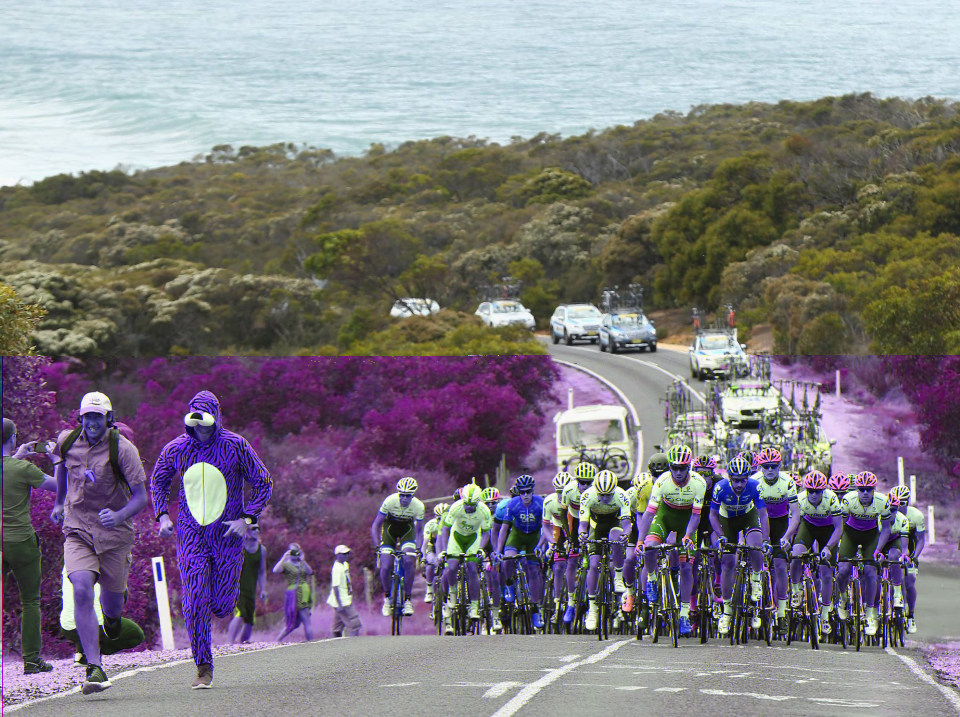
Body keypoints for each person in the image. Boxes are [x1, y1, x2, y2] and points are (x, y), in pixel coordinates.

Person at [151, 390, 273, 689]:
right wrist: (163, 516)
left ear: (216, 419)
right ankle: (203, 666)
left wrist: (247, 519)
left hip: (227, 536)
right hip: (191, 537)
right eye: (196, 422)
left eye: (206, 422)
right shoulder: (176, 449)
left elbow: (263, 482)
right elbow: (158, 479)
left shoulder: (235, 446)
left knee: (221, 606)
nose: (201, 429)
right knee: (194, 602)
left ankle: (221, 606)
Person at [50, 392, 149, 695]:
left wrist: (118, 515)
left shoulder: (123, 448)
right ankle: (95, 667)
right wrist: (58, 502)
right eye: (87, 416)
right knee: (80, 587)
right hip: (78, 529)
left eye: (97, 416)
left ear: (108, 417)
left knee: (112, 608)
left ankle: (114, 616)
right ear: (79, 418)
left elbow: (141, 498)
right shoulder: (67, 441)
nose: (92, 422)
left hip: (114, 537)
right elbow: (61, 467)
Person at [2, 418, 58, 674]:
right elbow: (58, 487)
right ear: (13, 438)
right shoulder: (23, 468)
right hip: (22, 542)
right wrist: (57, 459)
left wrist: (14, 455)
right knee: (30, 601)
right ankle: (32, 660)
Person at [637, 445, 708, 637]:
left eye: (682, 468)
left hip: (687, 522)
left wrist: (687, 536)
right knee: (650, 547)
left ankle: (684, 615)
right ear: (670, 467)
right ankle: (651, 579)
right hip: (665, 517)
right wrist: (640, 540)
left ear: (689, 467)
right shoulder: (662, 481)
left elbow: (695, 516)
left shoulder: (698, 483)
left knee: (686, 567)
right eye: (674, 468)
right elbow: (650, 513)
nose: (677, 472)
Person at [710, 454, 771, 634]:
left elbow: (762, 515)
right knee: (728, 563)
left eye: (742, 480)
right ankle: (727, 612)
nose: (738, 485)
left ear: (747, 478)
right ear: (729, 478)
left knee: (755, 547)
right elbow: (712, 516)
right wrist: (721, 535)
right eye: (735, 480)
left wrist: (766, 540)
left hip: (747, 517)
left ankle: (755, 578)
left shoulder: (754, 486)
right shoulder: (720, 488)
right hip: (727, 520)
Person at [780, 471, 843, 633]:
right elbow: (793, 523)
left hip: (828, 531)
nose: (814, 494)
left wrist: (828, 547)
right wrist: (787, 538)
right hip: (808, 528)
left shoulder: (832, 498)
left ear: (823, 491)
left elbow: (839, 528)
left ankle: (824, 616)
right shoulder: (800, 498)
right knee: (796, 555)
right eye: (810, 491)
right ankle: (796, 592)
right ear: (806, 490)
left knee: (826, 573)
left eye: (817, 491)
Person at [835, 471, 892, 637]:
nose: (865, 493)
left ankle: (870, 615)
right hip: (850, 535)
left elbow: (886, 528)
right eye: (862, 489)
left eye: (869, 489)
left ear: (874, 489)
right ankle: (844, 599)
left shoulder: (882, 501)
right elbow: (841, 525)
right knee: (843, 570)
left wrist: (877, 550)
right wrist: (839, 545)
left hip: (871, 537)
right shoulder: (848, 500)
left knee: (870, 572)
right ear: (857, 489)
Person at [578, 470, 632, 631]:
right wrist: (582, 535)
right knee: (593, 564)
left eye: (609, 495)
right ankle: (592, 608)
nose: (605, 498)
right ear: (596, 490)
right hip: (596, 525)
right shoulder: (587, 496)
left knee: (616, 537)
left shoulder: (622, 496)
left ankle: (618, 577)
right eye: (601, 495)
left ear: (614, 490)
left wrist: (626, 534)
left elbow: (627, 524)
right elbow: (583, 525)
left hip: (614, 522)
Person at [59, 566, 144, 664]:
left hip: (67, 627)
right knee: (135, 634)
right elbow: (120, 595)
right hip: (97, 626)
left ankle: (82, 653)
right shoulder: (106, 560)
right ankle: (91, 653)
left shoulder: (70, 560)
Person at [438, 484, 493, 634]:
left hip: (473, 539)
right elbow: (445, 528)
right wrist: (444, 550)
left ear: (478, 502)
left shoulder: (484, 511)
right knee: (452, 566)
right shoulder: (456, 507)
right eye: (466, 504)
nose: (468, 508)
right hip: (456, 538)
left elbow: (487, 533)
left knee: (472, 568)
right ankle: (453, 593)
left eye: (472, 505)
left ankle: (474, 606)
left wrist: (481, 548)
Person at [494, 474, 547, 629]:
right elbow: (504, 529)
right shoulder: (512, 504)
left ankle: (536, 610)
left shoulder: (540, 503)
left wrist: (540, 546)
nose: (525, 495)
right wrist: (498, 550)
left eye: (528, 492)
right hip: (517, 535)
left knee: (533, 570)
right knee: (508, 559)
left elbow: (546, 528)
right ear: (518, 492)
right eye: (521, 492)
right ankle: (509, 583)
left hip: (534, 537)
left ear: (532, 491)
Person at [371, 477, 425, 618]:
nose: (404, 498)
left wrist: (418, 549)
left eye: (408, 495)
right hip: (389, 531)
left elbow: (419, 531)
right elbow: (375, 525)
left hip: (407, 531)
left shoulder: (419, 506)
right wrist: (377, 545)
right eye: (402, 495)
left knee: (408, 562)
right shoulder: (389, 501)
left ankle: (407, 600)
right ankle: (387, 598)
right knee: (385, 566)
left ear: (412, 496)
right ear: (398, 493)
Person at [889, 485, 925, 633]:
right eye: (896, 502)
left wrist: (915, 557)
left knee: (909, 582)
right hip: (893, 546)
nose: (899, 506)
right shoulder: (888, 513)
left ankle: (910, 616)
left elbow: (921, 539)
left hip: (909, 549)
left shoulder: (916, 516)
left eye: (902, 503)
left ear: (908, 502)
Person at [227, 524, 267, 644]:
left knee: (249, 619)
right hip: (237, 586)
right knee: (240, 612)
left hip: (251, 588)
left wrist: (263, 589)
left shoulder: (261, 550)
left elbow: (262, 571)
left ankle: (243, 645)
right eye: (253, 528)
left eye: (257, 529)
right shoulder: (239, 546)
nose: (256, 531)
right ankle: (229, 644)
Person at [274, 543, 314, 642]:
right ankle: (277, 640)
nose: (293, 553)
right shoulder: (287, 564)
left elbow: (310, 572)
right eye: (291, 551)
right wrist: (283, 557)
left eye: (295, 551)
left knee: (300, 622)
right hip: (295, 593)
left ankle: (278, 640)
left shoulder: (301, 563)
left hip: (304, 592)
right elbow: (275, 570)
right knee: (301, 621)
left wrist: (303, 559)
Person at [328, 544, 361, 637]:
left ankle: (334, 641)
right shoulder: (336, 569)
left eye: (347, 553)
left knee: (337, 625)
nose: (346, 555)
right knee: (354, 623)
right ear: (337, 555)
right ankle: (353, 644)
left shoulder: (345, 565)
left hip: (346, 597)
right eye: (344, 553)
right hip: (342, 600)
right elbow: (335, 587)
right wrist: (339, 604)